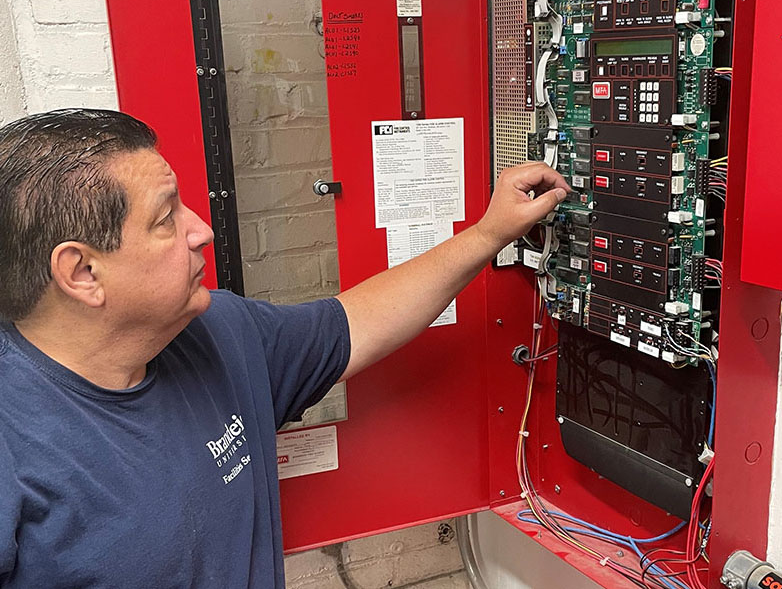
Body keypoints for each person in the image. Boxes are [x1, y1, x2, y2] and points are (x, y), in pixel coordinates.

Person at [0, 108, 569, 587]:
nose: (201, 229)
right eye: (166, 217)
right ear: (81, 272)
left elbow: (357, 322)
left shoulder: (219, 332)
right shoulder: (15, 447)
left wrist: (489, 233)